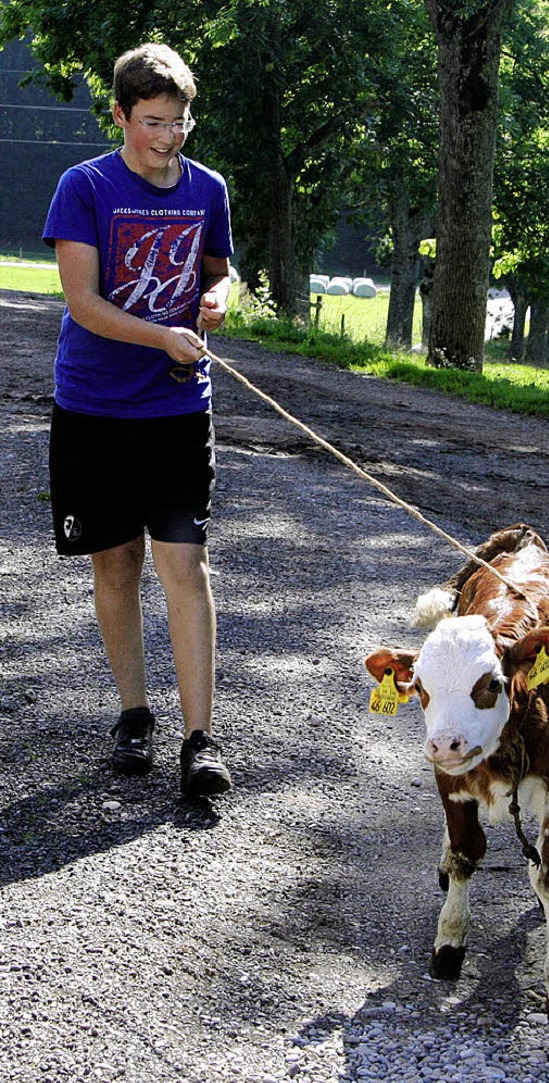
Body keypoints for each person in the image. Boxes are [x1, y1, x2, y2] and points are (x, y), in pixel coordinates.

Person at [42, 43, 234, 798]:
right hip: (93, 407)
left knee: (184, 562)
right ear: (120, 114)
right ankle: (133, 714)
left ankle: (201, 738)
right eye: (153, 122)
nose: (168, 138)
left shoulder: (208, 187)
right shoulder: (83, 186)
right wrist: (161, 334)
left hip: (179, 409)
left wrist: (222, 299)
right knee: (115, 565)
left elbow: (220, 270)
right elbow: (83, 304)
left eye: (180, 122)